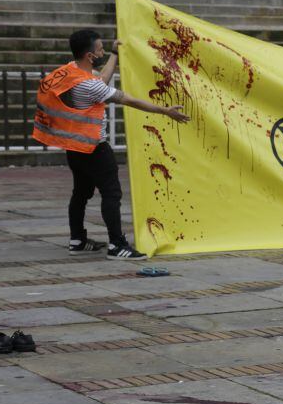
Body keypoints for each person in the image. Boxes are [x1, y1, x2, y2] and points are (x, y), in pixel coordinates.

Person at [33, 29, 189, 260]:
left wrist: (115, 54)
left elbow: (100, 81)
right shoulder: (88, 85)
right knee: (111, 193)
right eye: (100, 49)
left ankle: (77, 240)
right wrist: (165, 111)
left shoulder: (69, 71)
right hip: (95, 148)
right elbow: (128, 99)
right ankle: (117, 245)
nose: (103, 52)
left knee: (81, 193)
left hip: (75, 147)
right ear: (89, 56)